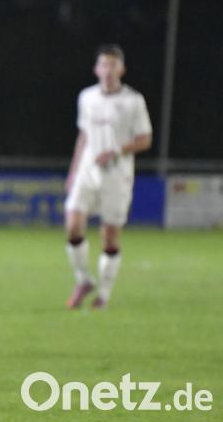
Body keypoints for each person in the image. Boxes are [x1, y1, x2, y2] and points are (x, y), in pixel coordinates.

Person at [64, 44, 152, 309]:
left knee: (109, 235)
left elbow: (145, 139)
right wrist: (73, 171)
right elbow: (83, 136)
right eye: (103, 64)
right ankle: (83, 280)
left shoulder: (133, 101)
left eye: (113, 65)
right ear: (96, 69)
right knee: (73, 225)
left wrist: (117, 151)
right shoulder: (87, 97)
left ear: (121, 69)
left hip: (117, 176)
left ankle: (103, 294)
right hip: (87, 172)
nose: (108, 70)